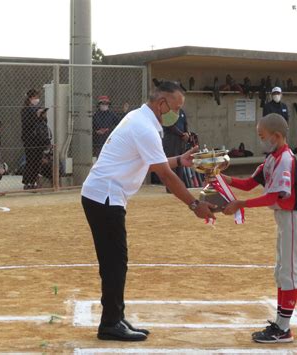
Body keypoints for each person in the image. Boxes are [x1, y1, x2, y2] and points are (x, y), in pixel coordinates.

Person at [81, 81, 215, 342]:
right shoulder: (144, 128)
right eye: (175, 107)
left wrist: (180, 160)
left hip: (104, 195)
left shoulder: (139, 118)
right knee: (114, 262)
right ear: (161, 103)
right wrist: (195, 204)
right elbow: (165, 174)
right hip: (105, 197)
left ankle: (115, 317)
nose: (176, 113)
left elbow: (156, 163)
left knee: (115, 261)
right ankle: (110, 323)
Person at [222, 113, 297, 344]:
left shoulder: (285, 160)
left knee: (288, 273)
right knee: (281, 271)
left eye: (263, 136)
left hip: (293, 218)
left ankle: (283, 329)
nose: (260, 140)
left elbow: (273, 196)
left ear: (277, 136)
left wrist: (240, 204)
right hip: (284, 220)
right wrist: (220, 177)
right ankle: (281, 325)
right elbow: (249, 184)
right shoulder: (272, 158)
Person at [21, 89, 47, 190]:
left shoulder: (38, 108)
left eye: (37, 97)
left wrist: (42, 115)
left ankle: (33, 181)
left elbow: (44, 122)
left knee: (37, 160)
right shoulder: (25, 109)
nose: (37, 99)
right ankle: (27, 181)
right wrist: (36, 115)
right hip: (29, 138)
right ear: (30, 98)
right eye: (35, 97)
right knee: (30, 159)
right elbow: (27, 123)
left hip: (39, 138)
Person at [162, 109, 189, 182]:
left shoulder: (182, 111)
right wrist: (182, 134)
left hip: (180, 141)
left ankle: (178, 184)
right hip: (171, 141)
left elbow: (185, 123)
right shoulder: (167, 111)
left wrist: (187, 133)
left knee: (180, 163)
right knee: (172, 164)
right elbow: (170, 126)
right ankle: (170, 187)